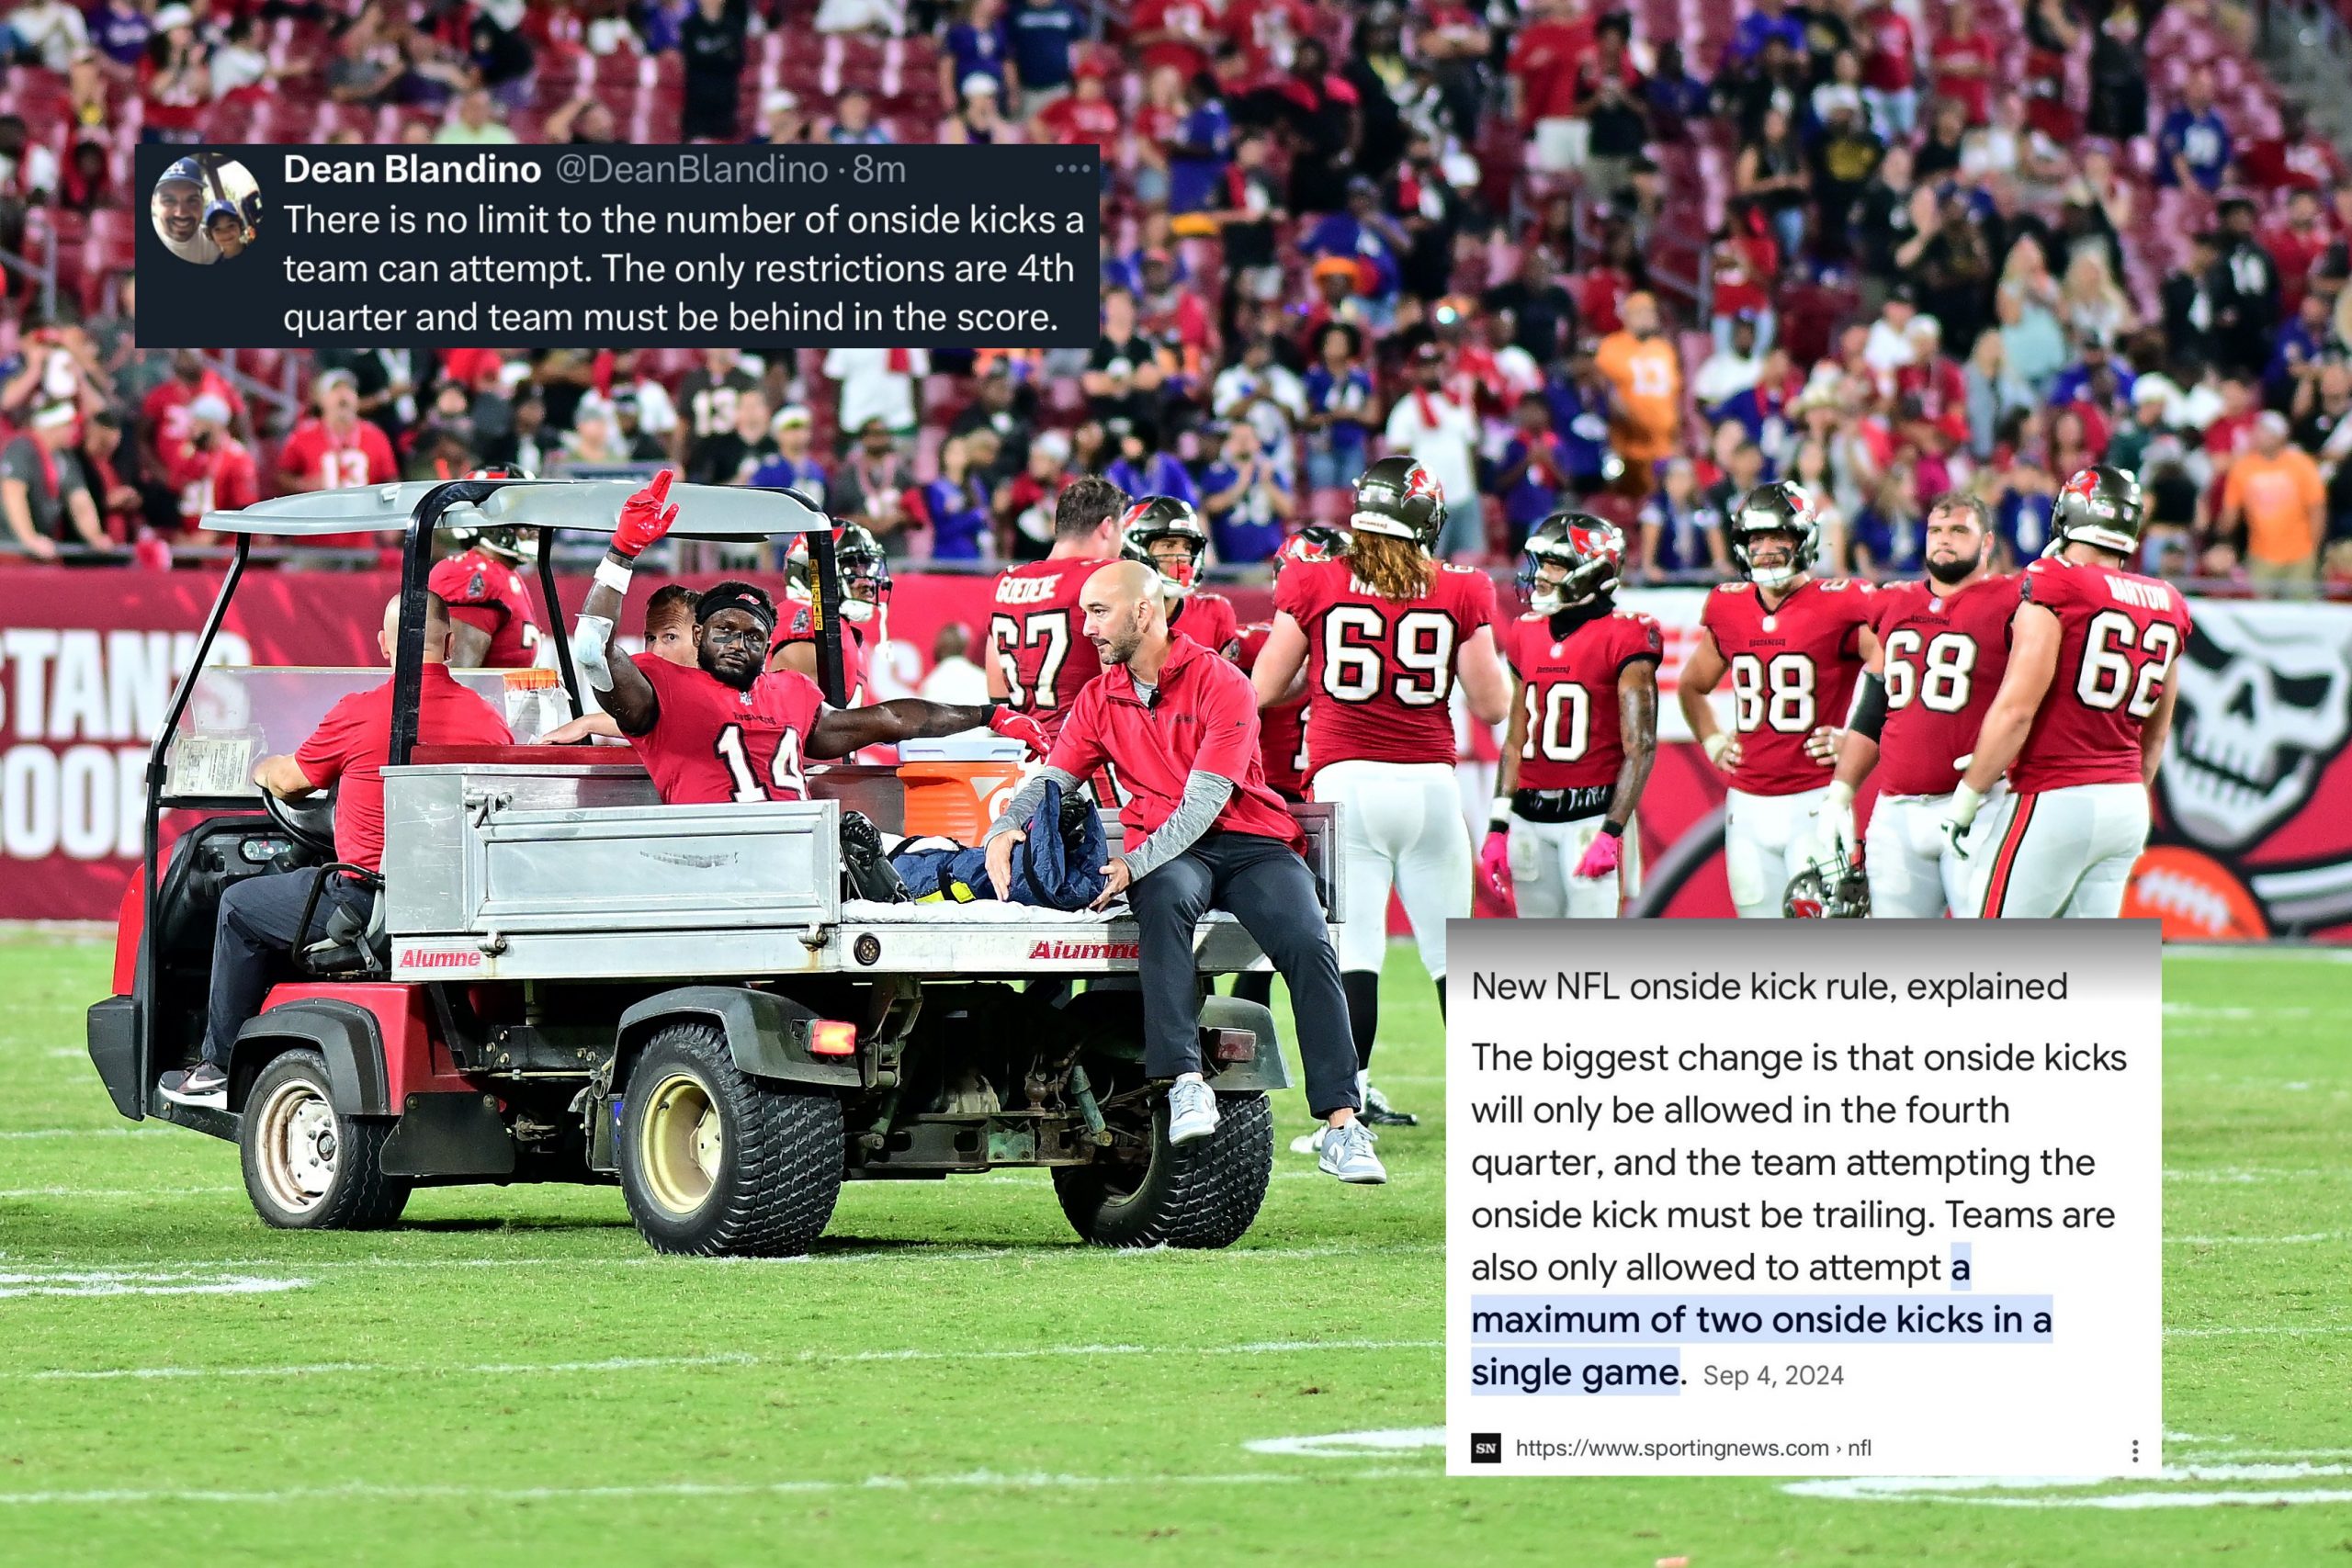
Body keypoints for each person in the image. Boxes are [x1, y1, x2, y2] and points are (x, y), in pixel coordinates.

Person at [982, 560, 1383, 1183]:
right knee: (1164, 903)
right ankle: (1185, 1082)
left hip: (1249, 840)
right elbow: (1055, 778)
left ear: (1144, 611)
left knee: (1307, 938)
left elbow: (1205, 803)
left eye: (1097, 611)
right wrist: (1005, 825)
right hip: (1172, 856)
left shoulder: (1222, 682)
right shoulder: (1099, 695)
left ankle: (1341, 1124)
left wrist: (1131, 862)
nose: (1085, 626)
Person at [161, 593, 513, 1108]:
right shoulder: (487, 720)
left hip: (369, 901)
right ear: (452, 644)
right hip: (458, 902)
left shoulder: (362, 713)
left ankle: (217, 1066)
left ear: (385, 646)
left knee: (239, 906)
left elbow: (291, 781)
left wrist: (263, 766)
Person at [1250, 457, 1510, 1130]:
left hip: (1346, 785)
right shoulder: (1463, 586)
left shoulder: (1315, 578)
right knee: (1456, 960)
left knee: (1356, 953)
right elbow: (1493, 700)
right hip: (1430, 786)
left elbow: (1263, 687)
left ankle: (1350, 1109)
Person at [576, 473, 1046, 805]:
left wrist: (991, 714)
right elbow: (592, 649)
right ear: (698, 635)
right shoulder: (665, 689)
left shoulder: (790, 694)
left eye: (754, 635)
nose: (740, 644)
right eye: (725, 632)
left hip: (798, 866)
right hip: (711, 864)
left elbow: (892, 718)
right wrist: (621, 553)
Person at [1944, 466, 2189, 919]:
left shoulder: (2057, 580)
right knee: (2088, 976)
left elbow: (2018, 708)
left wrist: (1969, 793)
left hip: (2054, 796)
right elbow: (2154, 736)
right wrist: (2121, 787)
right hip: (2127, 804)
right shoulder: (2168, 600)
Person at [1677, 481, 1880, 918]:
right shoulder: (1729, 607)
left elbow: (1893, 673)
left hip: (1815, 802)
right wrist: (1712, 741)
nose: (1765, 549)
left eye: (1777, 537)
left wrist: (1857, 738)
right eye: (1755, 539)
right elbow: (1692, 686)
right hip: (1746, 806)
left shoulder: (1840, 603)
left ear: (1802, 539)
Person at [1815, 492, 2018, 918]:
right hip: (1898, 808)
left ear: (1986, 543)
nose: (1944, 540)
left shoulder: (2015, 601)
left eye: (1959, 530)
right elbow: (1873, 709)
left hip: (1983, 805)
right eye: (1936, 531)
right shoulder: (1895, 601)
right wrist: (1840, 793)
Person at [1479, 513, 1662, 919]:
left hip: (1591, 815)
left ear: (1592, 571)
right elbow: (1515, 738)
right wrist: (1497, 823)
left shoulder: (1626, 634)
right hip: (1528, 813)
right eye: (1541, 564)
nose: (1541, 576)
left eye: (1555, 565)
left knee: (1591, 965)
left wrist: (1611, 830)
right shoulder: (1526, 630)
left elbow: (1641, 746)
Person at [986, 475, 1127, 737]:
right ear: (1107, 526)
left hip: (1024, 751)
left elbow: (997, 697)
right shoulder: (1106, 575)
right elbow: (1119, 685)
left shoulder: (1005, 581)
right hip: (1084, 757)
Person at [545, 585, 702, 745]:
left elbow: (666, 722)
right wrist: (587, 724)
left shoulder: (719, 692)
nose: (655, 652)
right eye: (651, 638)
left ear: (700, 638)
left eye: (670, 637)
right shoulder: (656, 694)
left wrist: (588, 724)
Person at [766, 524, 888, 705]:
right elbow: (809, 725)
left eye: (867, 567)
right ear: (810, 572)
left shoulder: (838, 628)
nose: (868, 582)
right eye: (852, 568)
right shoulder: (807, 622)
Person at [428, 481, 544, 669]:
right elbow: (458, 676)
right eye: (520, 513)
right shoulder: (471, 572)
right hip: (480, 698)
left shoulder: (504, 572)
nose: (532, 524)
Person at [1119, 495, 1239, 660]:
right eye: (1168, 545)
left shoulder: (1214, 613)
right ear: (1135, 550)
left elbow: (1229, 683)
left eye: (1187, 547)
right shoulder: (1113, 616)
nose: (1183, 556)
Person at [1, 404, 107, 558]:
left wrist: (95, 536)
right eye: (70, 425)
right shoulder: (21, 449)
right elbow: (13, 494)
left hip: (40, 549)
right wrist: (29, 539)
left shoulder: (64, 458)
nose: (75, 431)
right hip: (10, 548)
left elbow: (80, 501)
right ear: (54, 426)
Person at [277, 367, 400, 493]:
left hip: (364, 509)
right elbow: (282, 477)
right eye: (335, 389)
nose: (343, 395)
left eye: (349, 389)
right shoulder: (303, 435)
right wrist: (302, 485)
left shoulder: (375, 435)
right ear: (321, 399)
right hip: (319, 510)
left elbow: (391, 480)